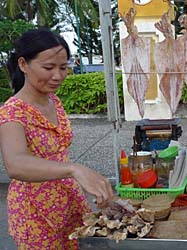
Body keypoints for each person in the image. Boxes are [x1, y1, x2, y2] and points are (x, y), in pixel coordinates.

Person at [0, 29, 113, 249]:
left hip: (69, 202)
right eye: (48, 67)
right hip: (35, 213)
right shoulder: (12, 112)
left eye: (63, 68)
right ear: (23, 64)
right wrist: (74, 169)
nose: (58, 76)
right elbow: (15, 163)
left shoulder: (53, 100)